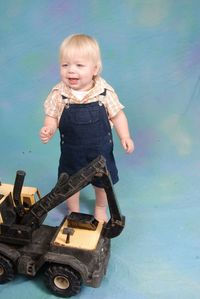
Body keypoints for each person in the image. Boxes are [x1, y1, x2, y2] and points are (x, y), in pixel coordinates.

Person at [40, 34, 134, 222]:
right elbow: (52, 116)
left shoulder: (104, 91)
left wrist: (125, 136)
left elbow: (117, 115)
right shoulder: (59, 93)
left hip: (100, 151)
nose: (71, 71)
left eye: (79, 65)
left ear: (95, 69)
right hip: (72, 152)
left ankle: (100, 208)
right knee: (70, 184)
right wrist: (48, 128)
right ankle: (73, 210)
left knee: (103, 184)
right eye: (65, 65)